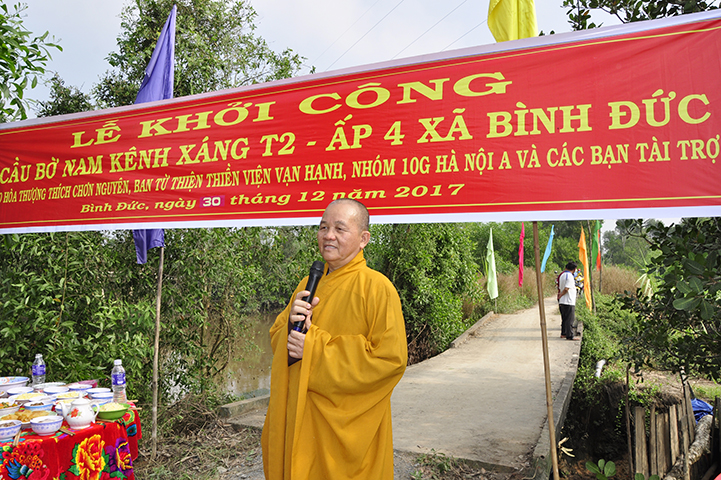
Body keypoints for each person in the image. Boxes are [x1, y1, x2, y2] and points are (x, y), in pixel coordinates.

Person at [261, 198, 408, 480]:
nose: (328, 235)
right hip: (302, 418)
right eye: (323, 227)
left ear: (363, 239)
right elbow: (278, 336)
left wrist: (314, 348)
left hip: (348, 431)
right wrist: (290, 332)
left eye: (340, 229)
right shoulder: (307, 284)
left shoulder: (378, 288)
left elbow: (390, 360)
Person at [557, 261, 579, 340]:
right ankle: (570, 335)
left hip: (562, 301)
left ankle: (563, 333)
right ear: (574, 269)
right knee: (570, 319)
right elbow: (566, 288)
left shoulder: (562, 275)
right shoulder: (569, 276)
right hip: (568, 301)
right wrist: (561, 294)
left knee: (564, 319)